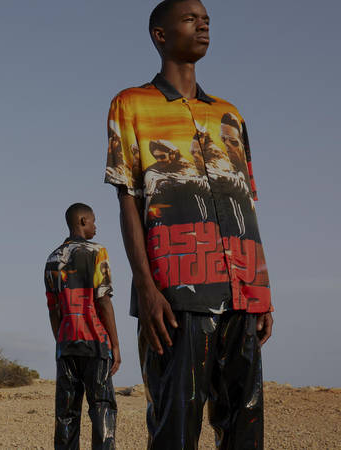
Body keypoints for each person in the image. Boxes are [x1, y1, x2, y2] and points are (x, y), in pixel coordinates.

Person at [103, 1, 273, 448]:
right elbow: (129, 199)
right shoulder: (131, 104)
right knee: (176, 424)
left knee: (246, 423)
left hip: (242, 288)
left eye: (207, 19)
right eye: (190, 18)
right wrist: (145, 286)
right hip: (176, 292)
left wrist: (260, 291)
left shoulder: (230, 114)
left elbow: (246, 201)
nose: (203, 24)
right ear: (160, 34)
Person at [45, 203, 120, 450]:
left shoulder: (52, 258)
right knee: (102, 408)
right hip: (95, 343)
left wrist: (60, 342)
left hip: (66, 345)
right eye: (93, 221)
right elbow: (103, 300)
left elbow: (53, 308)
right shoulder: (97, 252)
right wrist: (115, 345)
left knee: (66, 413)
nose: (96, 226)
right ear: (82, 221)